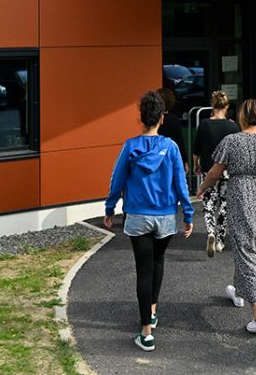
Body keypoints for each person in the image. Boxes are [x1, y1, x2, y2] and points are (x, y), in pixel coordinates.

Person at [104, 90, 194, 352]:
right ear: (162, 119)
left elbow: (116, 181)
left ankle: (146, 333)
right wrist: (188, 215)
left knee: (144, 270)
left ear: (142, 118)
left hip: (138, 217)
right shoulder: (172, 148)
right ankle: (152, 310)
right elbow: (181, 184)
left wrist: (109, 208)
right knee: (158, 262)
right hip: (165, 217)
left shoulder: (130, 146)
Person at [197, 98, 256, 333]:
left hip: (240, 199)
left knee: (246, 253)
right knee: (251, 249)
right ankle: (238, 292)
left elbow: (215, 173)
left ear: (242, 118)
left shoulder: (232, 142)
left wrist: (202, 188)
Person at [194, 90, 240, 257]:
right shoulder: (233, 126)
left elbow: (196, 149)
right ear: (226, 106)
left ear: (212, 106)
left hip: (208, 170)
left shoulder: (204, 125)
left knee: (208, 203)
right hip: (227, 171)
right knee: (224, 205)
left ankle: (210, 232)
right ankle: (220, 240)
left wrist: (195, 165)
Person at [157, 88, 189, 172]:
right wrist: (185, 160)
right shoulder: (174, 120)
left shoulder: (153, 119)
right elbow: (180, 141)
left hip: (156, 156)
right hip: (171, 157)